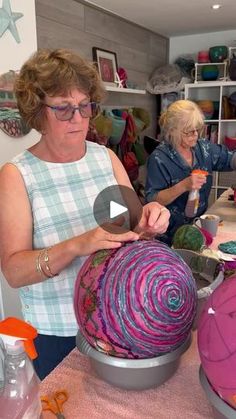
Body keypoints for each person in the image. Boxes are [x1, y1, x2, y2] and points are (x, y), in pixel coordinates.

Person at [0, 48, 170, 380]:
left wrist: (150, 219)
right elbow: (14, 271)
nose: (78, 118)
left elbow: (133, 228)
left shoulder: (105, 159)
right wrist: (79, 244)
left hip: (119, 319)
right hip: (59, 334)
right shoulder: (17, 175)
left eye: (84, 106)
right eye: (63, 108)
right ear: (37, 112)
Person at [145, 99, 236, 244]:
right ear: (173, 131)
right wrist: (184, 185)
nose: (195, 135)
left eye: (197, 129)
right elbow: (153, 199)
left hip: (198, 227)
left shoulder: (203, 148)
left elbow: (229, 159)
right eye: (189, 131)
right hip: (169, 235)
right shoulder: (159, 158)